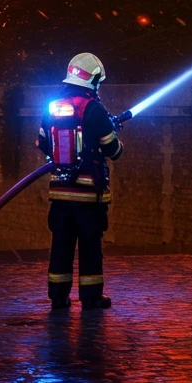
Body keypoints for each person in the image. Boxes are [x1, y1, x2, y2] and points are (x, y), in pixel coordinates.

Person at [37, 51, 124, 312]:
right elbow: (113, 151)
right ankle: (91, 298)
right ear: (92, 80)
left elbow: (42, 142)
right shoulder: (93, 108)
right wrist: (113, 135)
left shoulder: (53, 105)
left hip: (60, 194)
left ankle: (58, 297)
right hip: (88, 197)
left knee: (61, 246)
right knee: (90, 248)